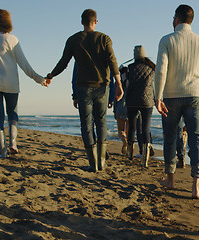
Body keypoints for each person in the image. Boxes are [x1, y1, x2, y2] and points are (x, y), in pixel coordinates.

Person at [45, 9, 123, 172]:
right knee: (101, 122)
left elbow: (64, 62)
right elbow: (112, 60)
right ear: (96, 22)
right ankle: (102, 162)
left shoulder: (73, 40)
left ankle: (93, 163)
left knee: (86, 125)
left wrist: (51, 74)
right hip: (102, 87)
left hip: (83, 88)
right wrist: (119, 83)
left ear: (82, 22)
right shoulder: (104, 38)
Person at [154, 4, 199, 199]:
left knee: (171, 137)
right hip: (196, 95)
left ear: (176, 18)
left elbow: (161, 70)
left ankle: (170, 180)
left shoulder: (166, 40)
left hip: (172, 95)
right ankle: (196, 186)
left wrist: (158, 96)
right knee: (196, 138)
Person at [0, 9, 47, 159]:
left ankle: (2, 152)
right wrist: (39, 79)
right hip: (10, 84)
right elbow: (24, 64)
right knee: (12, 114)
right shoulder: (12, 39)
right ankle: (13, 144)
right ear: (9, 22)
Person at [125, 45, 156, 167]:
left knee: (132, 127)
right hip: (147, 101)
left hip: (132, 100)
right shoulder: (152, 68)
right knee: (146, 128)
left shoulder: (129, 68)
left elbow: (126, 83)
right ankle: (146, 158)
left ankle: (130, 153)